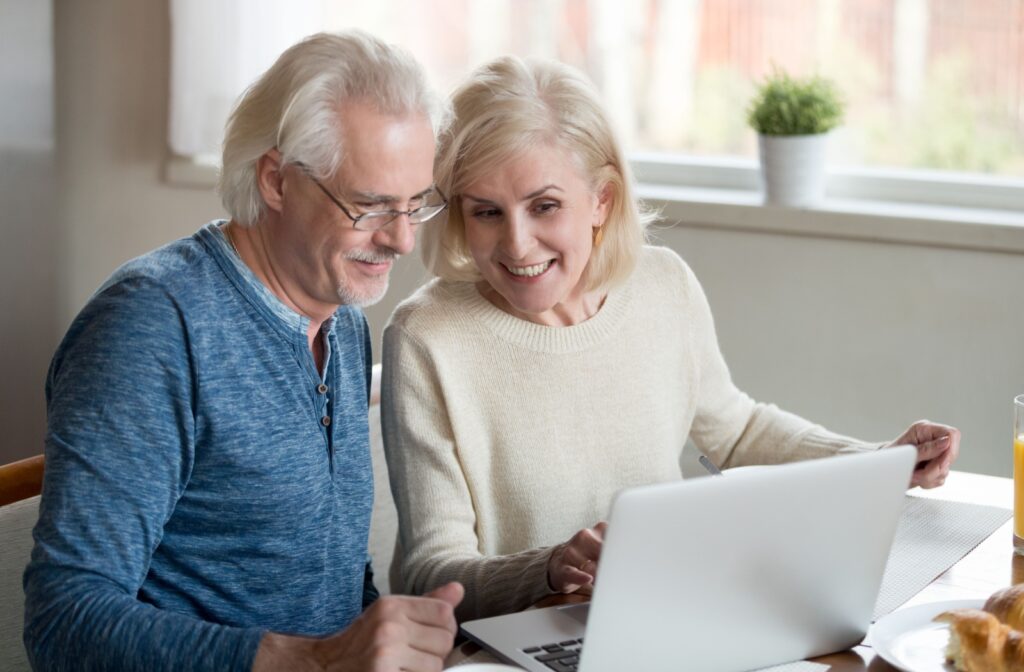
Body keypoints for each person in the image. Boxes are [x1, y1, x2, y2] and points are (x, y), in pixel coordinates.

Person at [380, 56, 961, 621]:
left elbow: (737, 431)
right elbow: (433, 572)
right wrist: (551, 569)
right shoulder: (428, 337)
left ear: (601, 201)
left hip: (673, 617)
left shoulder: (663, 284)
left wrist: (879, 462)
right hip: (517, 648)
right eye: (486, 212)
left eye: (546, 206)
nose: (517, 244)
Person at [24, 31, 464, 671]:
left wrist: (389, 641)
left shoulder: (340, 318)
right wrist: (311, 661)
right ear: (276, 180)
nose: (400, 241)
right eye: (369, 206)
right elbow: (63, 622)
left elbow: (326, 584)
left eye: (414, 205)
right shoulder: (151, 327)